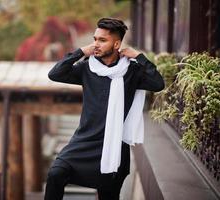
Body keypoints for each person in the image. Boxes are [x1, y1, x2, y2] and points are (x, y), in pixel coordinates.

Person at [45, 17, 164, 200]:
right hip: (84, 142)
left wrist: (139, 57)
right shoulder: (87, 68)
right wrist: (80, 52)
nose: (96, 44)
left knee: (108, 196)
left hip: (114, 146)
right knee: (55, 174)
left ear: (116, 44)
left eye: (102, 40)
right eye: (95, 39)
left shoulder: (131, 71)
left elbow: (158, 83)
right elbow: (55, 74)